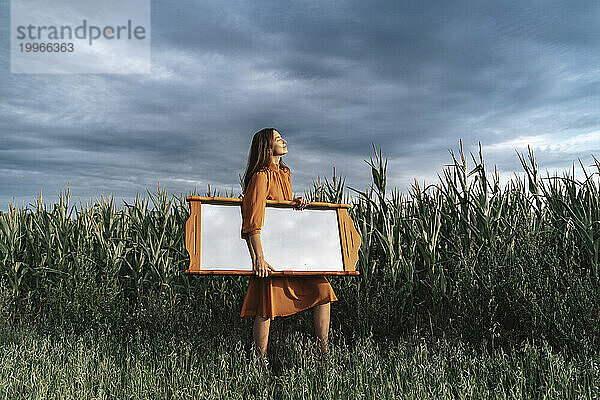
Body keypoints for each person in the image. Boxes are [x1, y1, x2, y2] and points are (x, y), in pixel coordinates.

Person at [240, 127, 338, 358]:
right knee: (266, 306)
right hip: (271, 255)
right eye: (277, 139)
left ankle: (324, 353)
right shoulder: (261, 176)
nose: (283, 141)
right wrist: (259, 258)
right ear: (267, 146)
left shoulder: (284, 173)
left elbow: (280, 211)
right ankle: (260, 362)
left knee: (323, 291)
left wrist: (295, 203)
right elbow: (253, 219)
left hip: (294, 252)